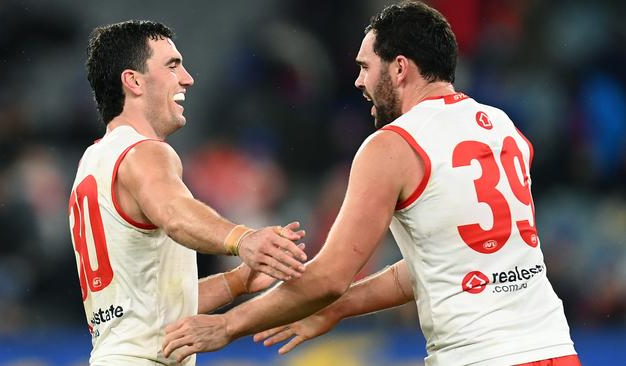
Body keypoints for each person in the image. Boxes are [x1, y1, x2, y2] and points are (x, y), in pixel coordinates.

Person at [161, 2, 581, 365]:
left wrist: (227, 324)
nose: (359, 81)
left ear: (399, 68)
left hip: (479, 354)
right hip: (555, 346)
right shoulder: (501, 127)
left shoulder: (393, 145)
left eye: (365, 66)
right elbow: (439, 263)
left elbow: (328, 276)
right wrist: (337, 309)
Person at [68, 20, 308, 366]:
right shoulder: (146, 152)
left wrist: (236, 282)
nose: (187, 78)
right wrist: (244, 239)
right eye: (172, 65)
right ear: (133, 80)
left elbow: (148, 307)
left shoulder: (92, 162)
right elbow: (176, 215)